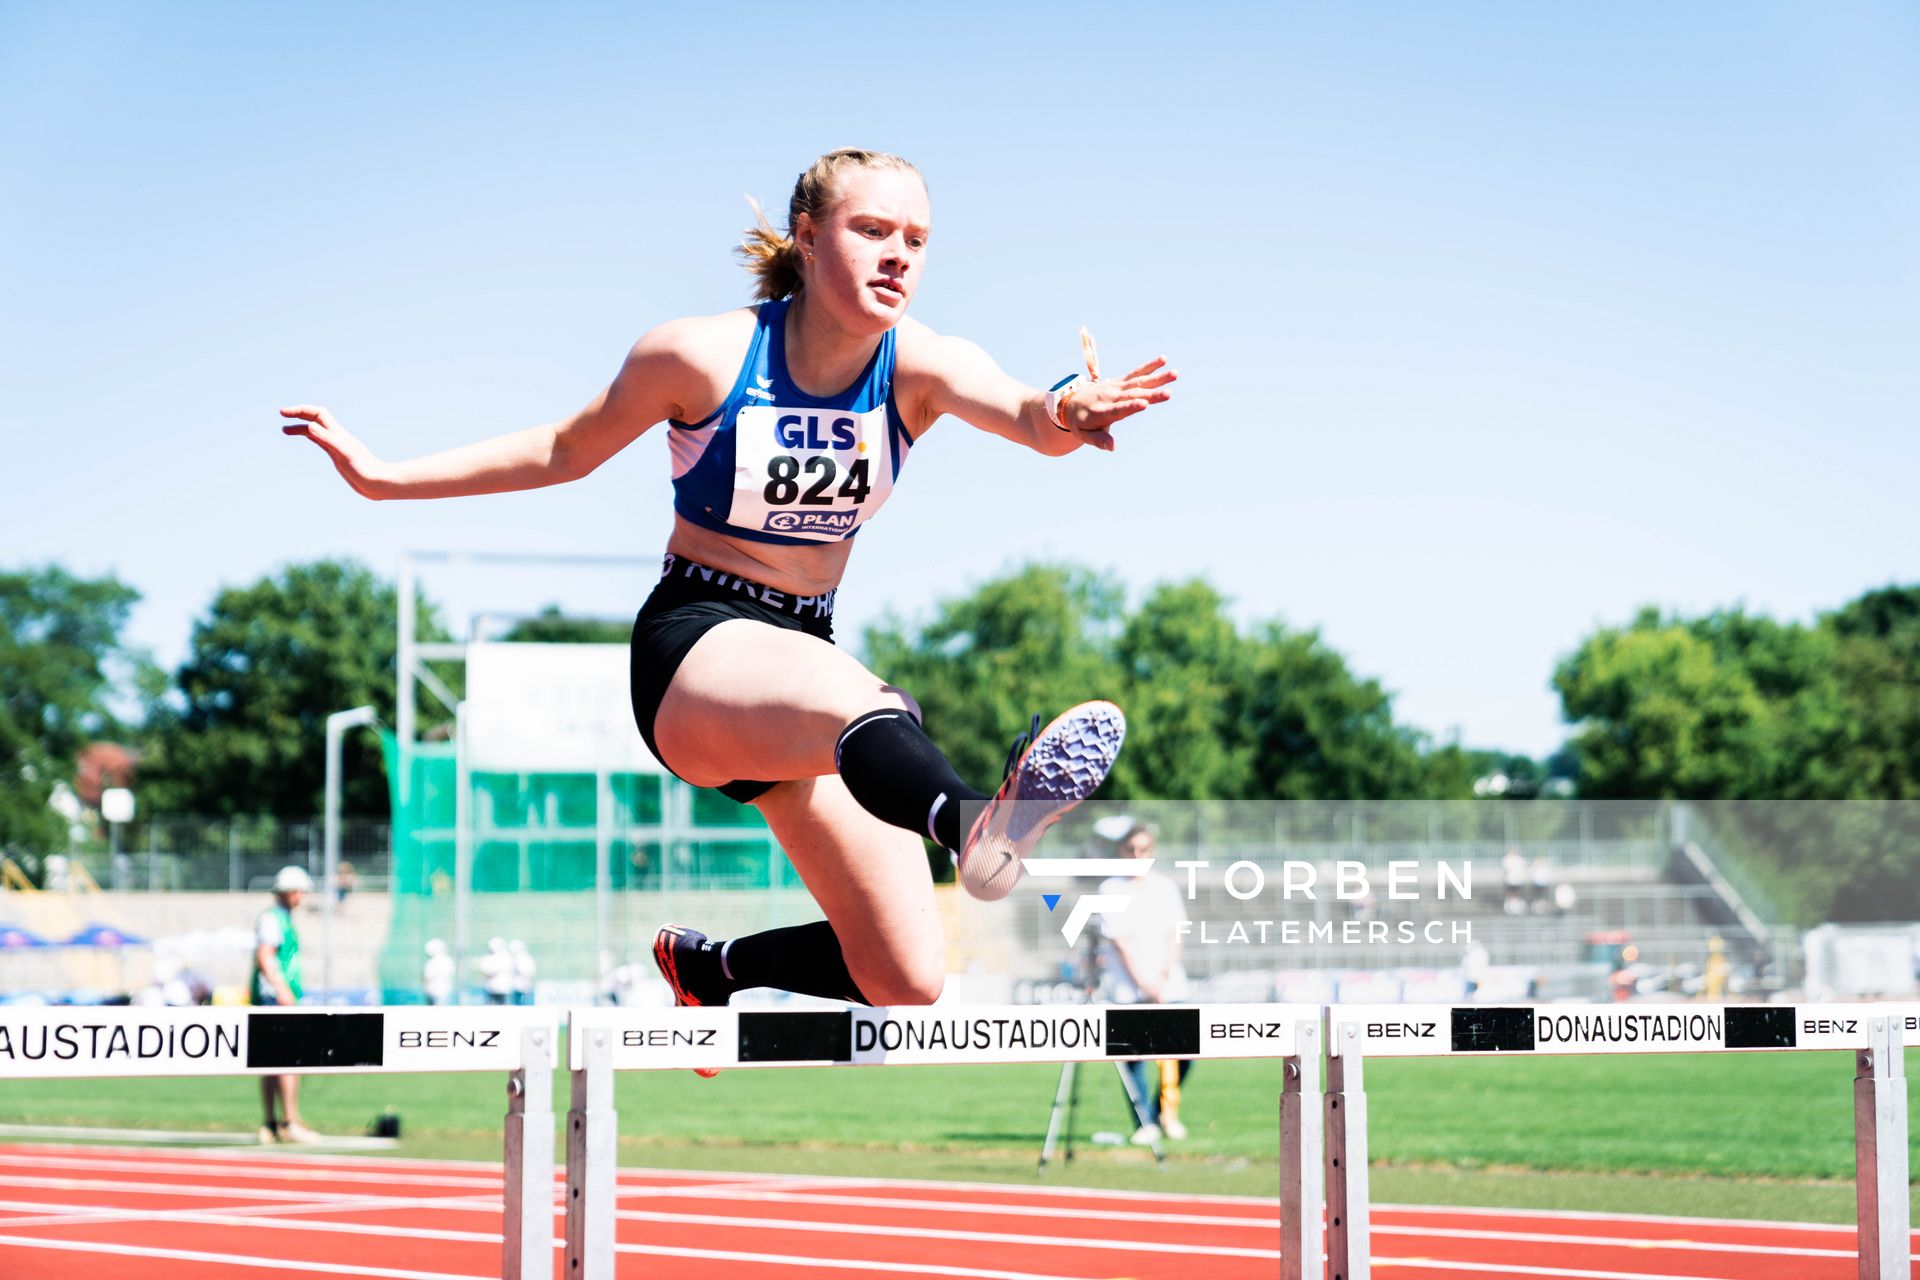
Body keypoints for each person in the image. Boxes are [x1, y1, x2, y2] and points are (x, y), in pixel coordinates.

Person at [283, 148, 1173, 1019]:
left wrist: (1070, 408)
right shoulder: (703, 357)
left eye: (918, 238)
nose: (899, 253)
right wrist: (383, 476)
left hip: (804, 667)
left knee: (905, 974)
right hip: (696, 647)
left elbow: (1029, 414)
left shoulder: (918, 365)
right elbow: (565, 449)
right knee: (868, 705)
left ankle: (712, 967)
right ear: (808, 237)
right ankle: (973, 819)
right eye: (872, 230)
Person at [1095, 820, 1191, 1143]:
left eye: (1144, 849)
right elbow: (1122, 944)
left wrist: (1161, 981)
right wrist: (1145, 985)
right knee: (1133, 1058)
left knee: (1186, 1050)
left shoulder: (1165, 887)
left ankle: (1165, 1114)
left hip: (1170, 986)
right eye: (1131, 849)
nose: (1137, 855)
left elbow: (1174, 935)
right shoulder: (1109, 889)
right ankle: (1143, 1123)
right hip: (1128, 990)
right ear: (1120, 852)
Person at [252, 865, 320, 1143]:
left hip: (272, 996)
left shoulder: (280, 918)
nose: (302, 897)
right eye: (299, 891)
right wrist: (282, 989)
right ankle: (288, 1121)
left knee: (270, 1061)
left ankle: (271, 1123)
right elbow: (265, 955)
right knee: (287, 1060)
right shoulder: (273, 919)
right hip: (275, 998)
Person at [479, 936, 514, 1005]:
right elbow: (485, 970)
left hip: (502, 988)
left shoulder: (506, 956)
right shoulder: (488, 957)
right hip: (490, 988)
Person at [422, 938, 455, 1005]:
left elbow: (427, 977)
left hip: (434, 991)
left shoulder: (432, 962)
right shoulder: (448, 960)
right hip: (445, 991)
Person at [509, 938, 536, 1005]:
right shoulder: (517, 958)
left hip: (523, 986)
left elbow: (528, 972)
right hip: (518, 986)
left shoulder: (523, 958)